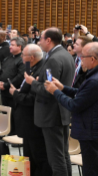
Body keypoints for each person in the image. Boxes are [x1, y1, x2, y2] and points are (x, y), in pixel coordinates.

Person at [24, 27, 74, 176]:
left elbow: (48, 91)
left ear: (48, 40)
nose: (39, 42)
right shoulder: (65, 54)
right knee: (64, 155)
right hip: (61, 112)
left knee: (56, 158)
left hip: (51, 114)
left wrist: (32, 82)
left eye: (41, 39)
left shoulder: (53, 58)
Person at [44, 42, 98, 176]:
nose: (80, 59)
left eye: (82, 56)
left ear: (92, 59)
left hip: (90, 132)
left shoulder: (94, 80)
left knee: (91, 170)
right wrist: (62, 88)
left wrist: (55, 92)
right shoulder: (93, 76)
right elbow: (81, 93)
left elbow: (74, 105)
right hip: (90, 129)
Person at [9, 44, 51, 176]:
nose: (21, 57)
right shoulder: (30, 68)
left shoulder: (41, 71)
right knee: (29, 157)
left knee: (38, 157)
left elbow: (33, 99)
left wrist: (15, 94)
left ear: (31, 57)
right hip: (26, 122)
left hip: (33, 122)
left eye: (23, 55)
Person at [0, 37, 25, 135]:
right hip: (4, 92)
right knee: (6, 115)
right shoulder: (8, 58)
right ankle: (6, 132)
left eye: (12, 45)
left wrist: (7, 85)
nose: (10, 47)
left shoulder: (22, 59)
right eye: (10, 45)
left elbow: (20, 76)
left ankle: (15, 134)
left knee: (15, 115)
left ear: (19, 46)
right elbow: (1, 71)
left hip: (14, 92)